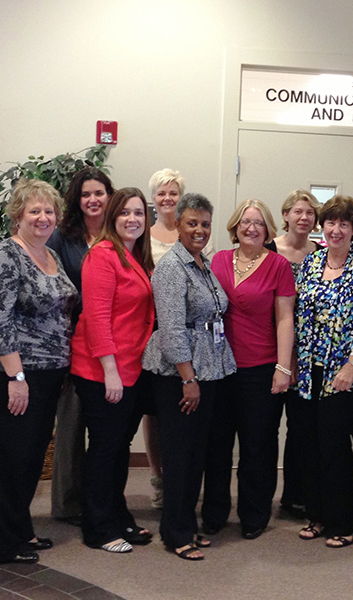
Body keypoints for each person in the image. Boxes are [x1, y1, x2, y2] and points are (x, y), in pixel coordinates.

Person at [0, 179, 78, 564]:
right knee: (7, 459)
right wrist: (16, 379)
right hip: (8, 374)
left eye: (49, 211)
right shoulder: (5, 256)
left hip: (48, 374)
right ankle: (1, 543)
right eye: (34, 210)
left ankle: (21, 530)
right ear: (18, 215)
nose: (43, 217)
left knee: (31, 457)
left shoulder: (51, 255)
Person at [143, 193, 236, 560]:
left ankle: (187, 524)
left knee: (196, 454)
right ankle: (175, 532)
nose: (199, 230)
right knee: (179, 455)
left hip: (209, 369)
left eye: (205, 224)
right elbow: (170, 329)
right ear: (178, 226)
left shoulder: (203, 263)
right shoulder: (171, 267)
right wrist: (188, 378)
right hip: (180, 375)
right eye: (192, 223)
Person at [201, 199, 295, 540]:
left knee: (258, 445)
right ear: (234, 226)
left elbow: (285, 319)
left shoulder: (279, 266)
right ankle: (213, 512)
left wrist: (283, 367)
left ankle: (254, 515)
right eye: (244, 221)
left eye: (258, 222)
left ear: (269, 229)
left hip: (261, 367)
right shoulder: (219, 260)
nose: (251, 227)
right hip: (220, 367)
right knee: (217, 444)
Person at [295, 195, 353, 548]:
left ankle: (343, 521)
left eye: (344, 224)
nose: (336, 229)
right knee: (308, 445)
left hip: (345, 374)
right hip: (308, 371)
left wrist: (352, 364)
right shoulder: (312, 262)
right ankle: (316, 514)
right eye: (331, 222)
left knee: (334, 448)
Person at [70, 187, 155, 553]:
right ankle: (98, 528)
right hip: (103, 370)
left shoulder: (134, 256)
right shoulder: (102, 255)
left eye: (138, 213)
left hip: (131, 368)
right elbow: (97, 318)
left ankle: (117, 516)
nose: (132, 219)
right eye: (125, 213)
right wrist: (110, 371)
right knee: (105, 451)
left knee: (119, 449)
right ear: (112, 218)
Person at [47, 167, 114, 527]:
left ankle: (99, 499)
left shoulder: (118, 233)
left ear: (109, 196)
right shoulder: (62, 237)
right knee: (71, 426)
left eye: (99, 193)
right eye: (86, 194)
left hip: (111, 344)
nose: (93, 200)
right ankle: (68, 504)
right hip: (73, 341)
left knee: (106, 428)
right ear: (77, 199)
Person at [266, 189, 321, 518]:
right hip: (269, 350)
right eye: (298, 212)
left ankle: (295, 495)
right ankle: (261, 496)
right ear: (285, 214)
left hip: (308, 353)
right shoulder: (270, 249)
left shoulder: (320, 253)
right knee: (268, 426)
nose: (304, 218)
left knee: (302, 427)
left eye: (310, 213)